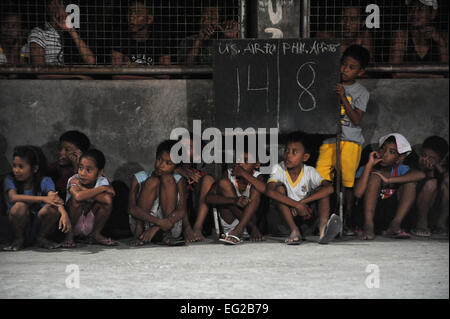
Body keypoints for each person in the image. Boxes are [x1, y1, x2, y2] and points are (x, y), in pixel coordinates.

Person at [232, 131, 339, 245]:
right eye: (287, 151)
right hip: (282, 224)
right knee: (278, 190)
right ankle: (294, 230)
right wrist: (296, 204)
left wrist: (302, 203)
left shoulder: (310, 171)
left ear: (305, 157)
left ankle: (323, 231)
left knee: (322, 192)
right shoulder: (278, 169)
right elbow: (269, 191)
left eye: (294, 152)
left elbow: (329, 189)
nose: (288, 155)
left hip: (305, 220)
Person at [315, 44, 370, 235]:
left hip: (351, 142)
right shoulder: (330, 84)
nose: (345, 70)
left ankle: (347, 219)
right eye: (343, 65)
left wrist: (343, 97)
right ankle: (323, 220)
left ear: (361, 72)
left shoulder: (362, 93)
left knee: (347, 184)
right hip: (329, 139)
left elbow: (356, 119)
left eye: (351, 67)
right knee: (321, 178)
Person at [373, 136, 448, 237]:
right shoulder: (412, 162)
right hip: (412, 212)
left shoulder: (442, 170)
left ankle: (441, 224)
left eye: (431, 158)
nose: (425, 159)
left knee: (442, 185)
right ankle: (421, 224)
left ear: (441, 161)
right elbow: (418, 175)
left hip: (434, 212)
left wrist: (437, 168)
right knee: (429, 183)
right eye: (423, 155)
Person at [3, 145, 71, 251]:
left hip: (37, 224)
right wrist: (43, 199)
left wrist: (64, 214)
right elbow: (13, 197)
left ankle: (41, 238)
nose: (16, 170)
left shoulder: (45, 181)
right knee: (20, 206)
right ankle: (18, 239)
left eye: (21, 167)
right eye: (14, 166)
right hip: (17, 225)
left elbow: (54, 199)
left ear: (34, 168)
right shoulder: (10, 179)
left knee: (52, 209)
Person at [354, 133, 416, 240]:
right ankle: (369, 226)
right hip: (368, 216)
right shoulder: (366, 168)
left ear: (399, 158)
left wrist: (389, 180)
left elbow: (421, 175)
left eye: (391, 152)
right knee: (375, 177)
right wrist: (369, 167)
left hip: (389, 217)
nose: (385, 154)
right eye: (382, 149)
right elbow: (358, 193)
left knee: (410, 183)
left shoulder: (400, 169)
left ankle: (395, 225)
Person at [128, 140, 187, 246]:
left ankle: (166, 235)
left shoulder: (178, 179)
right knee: (152, 181)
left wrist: (158, 227)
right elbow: (132, 209)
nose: (161, 165)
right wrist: (159, 222)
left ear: (176, 167)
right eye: (159, 159)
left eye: (168, 163)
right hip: (141, 225)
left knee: (168, 179)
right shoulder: (138, 177)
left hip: (170, 226)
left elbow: (182, 210)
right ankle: (139, 233)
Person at [206, 148, 265, 245]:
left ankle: (240, 228)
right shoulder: (228, 174)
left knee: (257, 187)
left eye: (246, 161)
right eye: (238, 160)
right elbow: (208, 198)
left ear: (257, 164)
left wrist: (244, 174)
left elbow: (265, 190)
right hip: (230, 223)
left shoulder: (258, 176)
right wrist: (234, 200)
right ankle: (238, 230)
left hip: (249, 225)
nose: (240, 164)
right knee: (224, 184)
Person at [62, 149, 117, 247]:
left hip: (91, 223)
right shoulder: (74, 179)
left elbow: (107, 200)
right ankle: (69, 235)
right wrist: (103, 189)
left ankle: (95, 234)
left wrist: (82, 188)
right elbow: (78, 197)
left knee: (105, 204)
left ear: (100, 172)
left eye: (88, 170)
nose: (82, 173)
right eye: (80, 167)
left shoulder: (102, 181)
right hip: (73, 224)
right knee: (75, 201)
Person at [28, 0, 95, 66]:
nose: (59, 8)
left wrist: (71, 30)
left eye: (61, 4)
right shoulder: (38, 33)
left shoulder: (68, 34)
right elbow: (40, 71)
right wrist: (75, 76)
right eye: (55, 4)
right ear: (48, 9)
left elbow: (91, 61)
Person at [390, 0, 448, 77]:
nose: (414, 13)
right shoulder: (401, 35)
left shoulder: (443, 36)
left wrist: (441, 43)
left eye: (420, 9)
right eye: (411, 8)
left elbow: (446, 74)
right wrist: (434, 77)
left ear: (433, 13)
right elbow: (395, 73)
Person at [174, 135, 215, 243]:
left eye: (189, 147)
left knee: (208, 180)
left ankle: (198, 228)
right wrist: (178, 171)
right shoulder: (170, 169)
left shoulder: (199, 174)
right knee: (178, 179)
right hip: (175, 219)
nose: (183, 150)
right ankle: (187, 229)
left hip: (197, 216)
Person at [112, 0, 170, 71]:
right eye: (130, 12)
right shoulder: (120, 38)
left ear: (149, 19)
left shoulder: (159, 40)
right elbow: (116, 75)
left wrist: (135, 68)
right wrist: (152, 74)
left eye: (138, 13)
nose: (131, 17)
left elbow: (165, 75)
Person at [47, 130, 91, 201]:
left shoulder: (88, 174)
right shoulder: (51, 169)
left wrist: (77, 167)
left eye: (67, 150)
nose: (61, 153)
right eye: (60, 148)